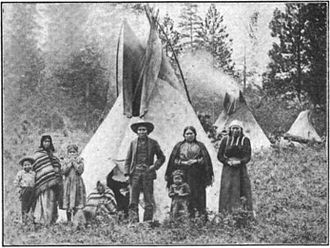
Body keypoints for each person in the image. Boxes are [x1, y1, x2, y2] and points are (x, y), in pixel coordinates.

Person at [166, 126, 214, 220]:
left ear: (195, 135)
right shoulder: (179, 146)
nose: (189, 135)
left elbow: (205, 160)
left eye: (191, 133)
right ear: (184, 135)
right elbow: (173, 160)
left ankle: (199, 218)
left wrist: (195, 161)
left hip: (197, 175)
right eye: (187, 134)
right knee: (182, 195)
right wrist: (183, 162)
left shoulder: (200, 146)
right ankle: (180, 218)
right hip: (183, 175)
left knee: (197, 195)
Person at [124, 120, 165, 222]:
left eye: (144, 130)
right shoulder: (133, 143)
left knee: (148, 199)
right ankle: (134, 222)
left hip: (148, 173)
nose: (142, 132)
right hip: (135, 173)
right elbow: (128, 159)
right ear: (137, 132)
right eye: (140, 130)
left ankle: (147, 222)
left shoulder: (153, 143)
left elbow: (162, 157)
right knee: (133, 199)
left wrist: (154, 167)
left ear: (147, 131)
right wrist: (126, 174)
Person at [217, 120, 253, 213]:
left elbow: (248, 156)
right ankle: (225, 213)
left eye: (237, 128)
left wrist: (240, 162)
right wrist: (227, 161)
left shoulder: (245, 140)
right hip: (228, 169)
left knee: (241, 189)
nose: (235, 130)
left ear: (241, 130)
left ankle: (242, 214)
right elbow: (220, 156)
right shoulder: (225, 140)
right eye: (233, 128)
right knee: (227, 189)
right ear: (230, 129)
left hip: (240, 170)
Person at [32, 135, 63, 225]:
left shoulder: (52, 155)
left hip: (52, 183)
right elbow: (35, 167)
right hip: (42, 182)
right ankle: (41, 220)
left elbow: (57, 166)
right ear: (42, 143)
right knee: (42, 201)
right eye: (45, 141)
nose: (47, 143)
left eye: (48, 141)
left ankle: (49, 221)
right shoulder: (38, 154)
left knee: (51, 201)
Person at [62, 144, 86, 222]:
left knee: (77, 201)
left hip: (77, 183)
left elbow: (80, 171)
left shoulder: (80, 160)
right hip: (68, 184)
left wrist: (75, 163)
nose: (72, 154)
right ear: (68, 153)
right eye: (70, 152)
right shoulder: (65, 161)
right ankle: (69, 220)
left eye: (74, 152)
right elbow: (63, 171)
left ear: (77, 153)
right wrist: (69, 164)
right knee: (68, 201)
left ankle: (76, 220)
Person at [14, 156, 36, 223]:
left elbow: (35, 181)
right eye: (25, 165)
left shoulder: (33, 173)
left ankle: (32, 219)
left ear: (31, 165)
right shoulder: (21, 173)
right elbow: (16, 182)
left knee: (32, 204)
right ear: (22, 166)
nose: (27, 166)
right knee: (24, 205)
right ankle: (24, 220)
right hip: (24, 190)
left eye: (28, 165)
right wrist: (19, 189)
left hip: (32, 190)